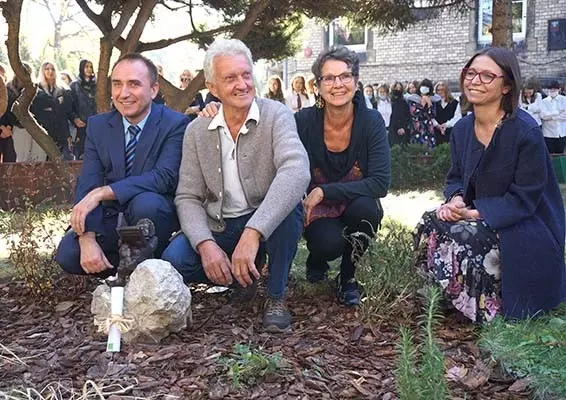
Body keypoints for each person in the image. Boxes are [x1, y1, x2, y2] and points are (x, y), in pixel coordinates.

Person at [161, 39, 310, 333]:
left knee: (289, 208)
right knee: (174, 261)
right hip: (221, 226)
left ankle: (276, 295)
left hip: (265, 220)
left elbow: (296, 170)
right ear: (212, 88)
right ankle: (241, 278)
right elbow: (188, 196)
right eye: (230, 78)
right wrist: (206, 245)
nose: (242, 85)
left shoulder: (276, 115)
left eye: (246, 75)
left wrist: (254, 232)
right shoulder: (196, 131)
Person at [414, 47, 566, 323]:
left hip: (527, 223)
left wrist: (473, 213)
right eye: (471, 73)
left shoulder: (526, 131)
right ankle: (444, 297)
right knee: (430, 221)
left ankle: (483, 305)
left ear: (506, 86)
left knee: (466, 233)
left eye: (486, 76)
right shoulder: (462, 130)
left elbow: (524, 199)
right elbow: (456, 177)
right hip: (480, 213)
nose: (475, 81)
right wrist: (456, 200)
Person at [55, 53, 189, 278]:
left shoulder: (175, 124)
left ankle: (152, 268)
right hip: (112, 217)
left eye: (134, 84)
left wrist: (103, 192)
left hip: (154, 216)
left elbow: (164, 177)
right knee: (69, 253)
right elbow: (89, 181)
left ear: (153, 90)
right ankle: (122, 275)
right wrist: (87, 237)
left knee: (147, 204)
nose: (123, 93)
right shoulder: (98, 126)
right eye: (117, 84)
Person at [295, 47, 390, 306]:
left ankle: (347, 277)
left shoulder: (371, 122)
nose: (338, 84)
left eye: (345, 76)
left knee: (367, 210)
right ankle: (317, 259)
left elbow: (380, 183)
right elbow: (267, 124)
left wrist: (325, 191)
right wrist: (216, 108)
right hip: (318, 208)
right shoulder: (303, 121)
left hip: (356, 200)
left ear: (356, 82)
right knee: (327, 244)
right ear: (317, 86)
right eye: (329, 78)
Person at [30, 61, 75, 160]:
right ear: (42, 71)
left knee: (64, 160)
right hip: (44, 130)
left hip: (61, 131)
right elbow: (37, 108)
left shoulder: (64, 89)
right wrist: (57, 102)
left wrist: (51, 106)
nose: (50, 71)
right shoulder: (36, 88)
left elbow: (67, 109)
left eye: (53, 69)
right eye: (47, 69)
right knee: (43, 161)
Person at [70, 59, 97, 159]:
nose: (89, 69)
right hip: (81, 125)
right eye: (86, 67)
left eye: (91, 67)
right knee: (80, 154)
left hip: (95, 124)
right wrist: (75, 118)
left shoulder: (97, 86)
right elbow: (70, 106)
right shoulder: (74, 86)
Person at [406, 78, 441, 148]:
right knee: (418, 148)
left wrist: (429, 104)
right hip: (417, 127)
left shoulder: (431, 99)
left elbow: (433, 114)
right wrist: (422, 105)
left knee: (430, 147)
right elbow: (414, 113)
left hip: (428, 127)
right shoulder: (413, 98)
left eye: (427, 87)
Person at [540, 80, 566, 154]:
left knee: (560, 155)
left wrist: (552, 117)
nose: (552, 91)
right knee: (549, 155)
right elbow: (543, 115)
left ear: (559, 89)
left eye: (554, 89)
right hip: (548, 133)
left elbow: (565, 115)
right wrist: (557, 113)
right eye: (550, 89)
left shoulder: (564, 99)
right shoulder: (544, 101)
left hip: (561, 133)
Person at [0, 63, 17, 163]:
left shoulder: (10, 91)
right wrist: (2, 128)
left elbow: (11, 110)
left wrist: (9, 127)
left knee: (10, 159)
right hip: (2, 128)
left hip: (9, 130)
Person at [389, 81, 411, 147]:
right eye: (396, 88)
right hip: (391, 130)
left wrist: (403, 128)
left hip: (402, 130)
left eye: (399, 88)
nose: (398, 90)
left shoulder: (404, 102)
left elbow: (407, 116)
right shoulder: (389, 101)